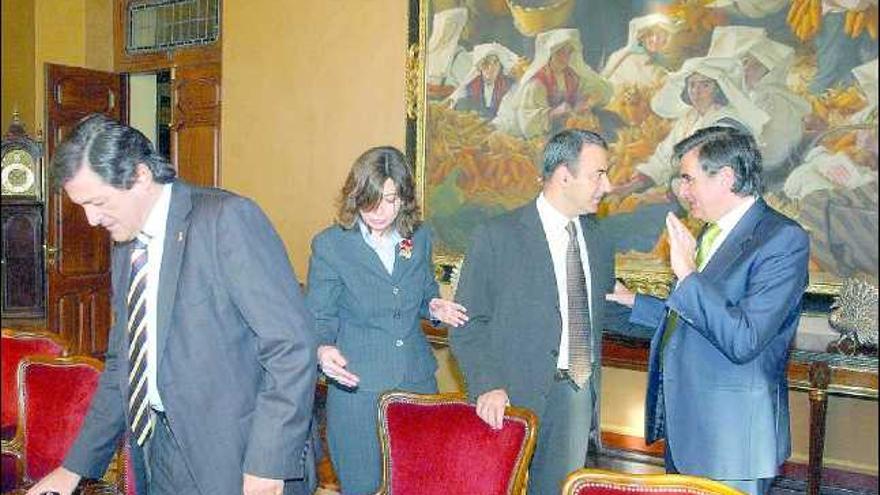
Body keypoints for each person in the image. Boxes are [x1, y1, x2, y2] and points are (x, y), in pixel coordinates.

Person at [26, 114, 318, 495]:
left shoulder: (225, 220)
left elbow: (291, 347)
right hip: (160, 450)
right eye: (83, 206)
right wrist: (73, 468)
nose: (92, 219)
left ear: (141, 176)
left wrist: (268, 463)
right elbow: (123, 364)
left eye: (98, 202)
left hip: (239, 457)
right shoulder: (127, 245)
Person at [608, 126, 810, 495]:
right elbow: (694, 322)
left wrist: (686, 274)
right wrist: (633, 302)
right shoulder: (710, 234)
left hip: (734, 440)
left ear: (727, 178)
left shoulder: (782, 239)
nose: (681, 191)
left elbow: (743, 337)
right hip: (688, 431)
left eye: (688, 178)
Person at [450, 129, 641, 495]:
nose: (608, 185)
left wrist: (672, 314)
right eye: (598, 174)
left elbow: (601, 311)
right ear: (563, 176)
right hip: (511, 398)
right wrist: (487, 384)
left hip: (575, 395)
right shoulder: (498, 235)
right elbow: (468, 322)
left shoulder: (598, 240)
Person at [306, 146, 468, 495]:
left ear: (404, 198)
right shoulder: (331, 246)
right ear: (355, 196)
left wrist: (435, 306)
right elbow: (320, 317)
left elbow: (424, 291)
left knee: (421, 485)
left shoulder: (419, 236)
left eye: (391, 200)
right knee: (364, 487)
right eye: (371, 201)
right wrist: (322, 350)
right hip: (359, 389)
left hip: (416, 383)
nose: (381, 212)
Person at [614, 56, 769, 197]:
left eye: (705, 85)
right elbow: (665, 156)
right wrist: (634, 184)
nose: (696, 91)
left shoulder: (726, 121)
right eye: (692, 85)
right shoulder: (688, 119)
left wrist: (668, 191)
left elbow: (712, 170)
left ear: (717, 89)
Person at [707, 26, 811, 183]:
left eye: (754, 65)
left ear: (768, 72)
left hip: (767, 174)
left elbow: (766, 152)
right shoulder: (754, 96)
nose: (746, 70)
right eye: (744, 63)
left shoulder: (769, 99)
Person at [493, 29, 614, 139]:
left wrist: (586, 101)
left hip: (566, 129)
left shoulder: (572, 75)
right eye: (560, 53)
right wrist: (555, 112)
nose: (565, 58)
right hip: (543, 135)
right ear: (550, 55)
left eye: (568, 52)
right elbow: (528, 122)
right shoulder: (537, 83)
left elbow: (593, 90)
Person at [601, 13, 680, 90]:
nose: (655, 40)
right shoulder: (622, 57)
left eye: (660, 34)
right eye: (650, 34)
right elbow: (602, 82)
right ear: (642, 36)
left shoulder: (666, 63)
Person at [449, 42, 520, 120]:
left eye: (495, 63)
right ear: (480, 67)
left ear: (500, 66)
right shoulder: (470, 87)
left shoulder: (509, 86)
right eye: (486, 63)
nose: (490, 68)